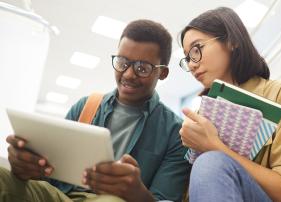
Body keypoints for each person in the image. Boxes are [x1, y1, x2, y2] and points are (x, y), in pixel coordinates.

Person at [0, 19, 191, 202]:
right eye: (122, 62)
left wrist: (137, 194)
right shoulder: (85, 107)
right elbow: (48, 176)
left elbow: (164, 199)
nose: (128, 74)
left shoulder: (176, 132)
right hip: (58, 194)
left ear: (163, 73)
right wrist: (26, 166)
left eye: (142, 68)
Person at [178, 7, 281, 202]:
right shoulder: (201, 116)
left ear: (231, 41)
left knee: (211, 163)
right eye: (187, 58)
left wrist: (214, 147)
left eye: (197, 49)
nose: (192, 64)